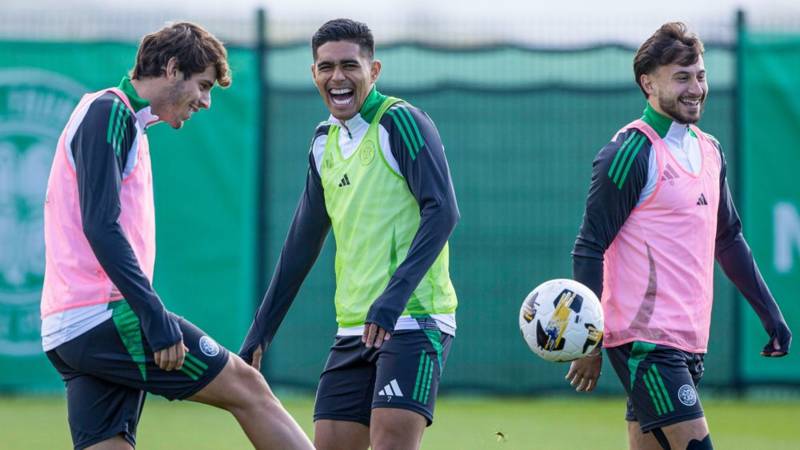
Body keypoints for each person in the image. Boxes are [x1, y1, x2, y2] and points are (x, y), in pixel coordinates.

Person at [41, 22, 313, 450]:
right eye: (203, 86)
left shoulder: (119, 118)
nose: (205, 102)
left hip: (69, 327)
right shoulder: (110, 112)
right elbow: (100, 226)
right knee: (249, 389)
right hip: (104, 317)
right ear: (171, 68)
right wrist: (154, 317)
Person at [567, 22, 791, 450]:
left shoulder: (710, 149)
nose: (696, 88)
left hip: (688, 341)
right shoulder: (630, 151)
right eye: (682, 77)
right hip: (644, 342)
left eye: (701, 76)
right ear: (648, 83)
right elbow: (590, 246)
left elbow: (728, 239)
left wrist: (770, 313)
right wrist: (588, 341)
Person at [239, 18, 460, 450]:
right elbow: (301, 244)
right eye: (325, 67)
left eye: (349, 66)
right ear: (313, 73)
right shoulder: (323, 142)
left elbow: (444, 211)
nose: (337, 77)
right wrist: (260, 331)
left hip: (413, 319)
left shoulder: (401, 122)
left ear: (373, 71)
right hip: (352, 329)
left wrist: (392, 299)